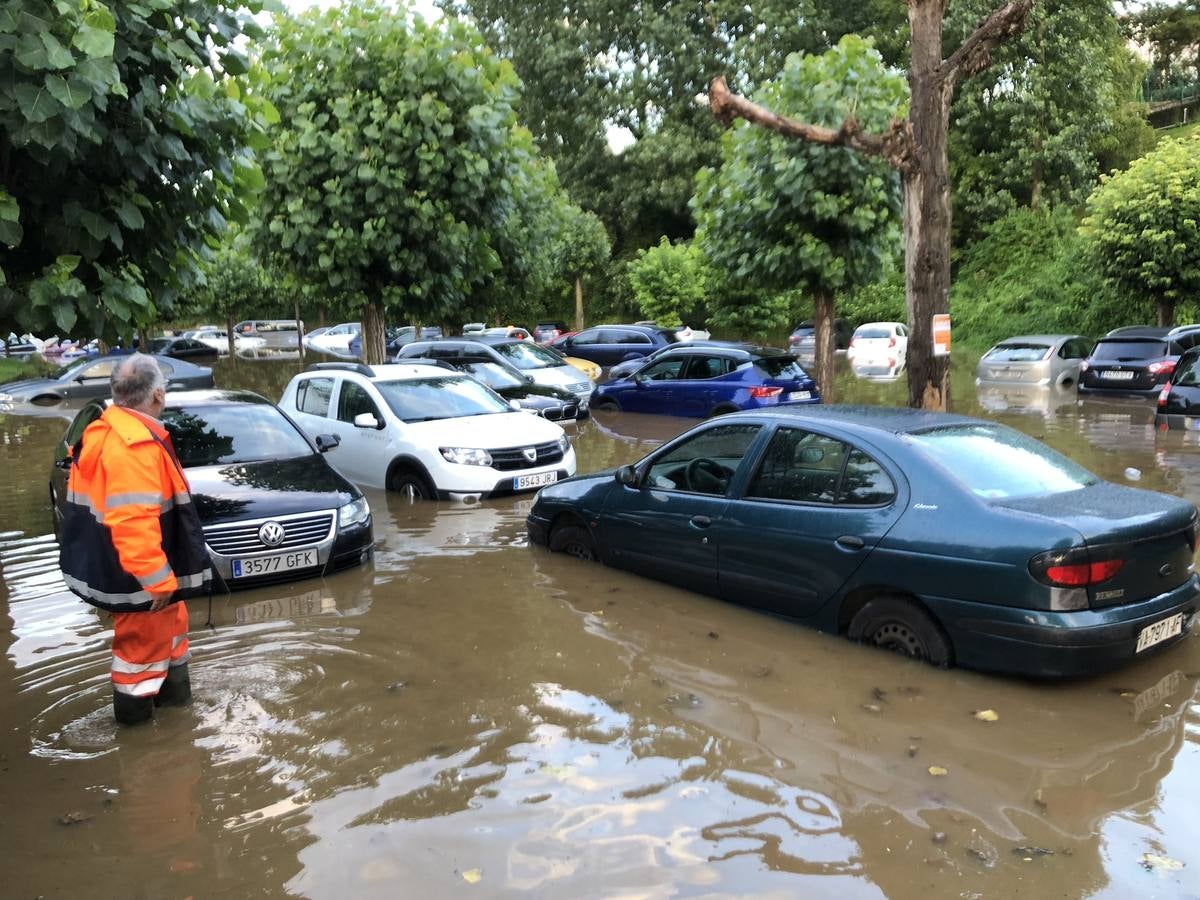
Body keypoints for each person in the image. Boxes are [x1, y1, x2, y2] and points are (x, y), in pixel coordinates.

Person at [59, 354, 211, 725]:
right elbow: (131, 519)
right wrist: (157, 580)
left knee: (171, 643)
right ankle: (140, 746)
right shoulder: (132, 446)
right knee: (138, 661)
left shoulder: (104, 430)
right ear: (158, 394)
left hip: (129, 568)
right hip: (141, 577)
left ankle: (178, 716)